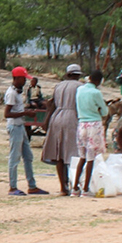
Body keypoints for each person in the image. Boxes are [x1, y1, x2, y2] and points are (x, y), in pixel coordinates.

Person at [42, 64, 84, 195]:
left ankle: (63, 187)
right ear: (78, 75)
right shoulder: (80, 87)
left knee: (59, 154)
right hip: (72, 118)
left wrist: (46, 121)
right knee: (74, 153)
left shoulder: (58, 86)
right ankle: (75, 185)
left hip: (57, 117)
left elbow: (52, 104)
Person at [6, 66, 47, 196]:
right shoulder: (12, 93)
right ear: (17, 78)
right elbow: (7, 114)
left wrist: (25, 112)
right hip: (15, 127)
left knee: (28, 156)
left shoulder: (17, 92)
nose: (25, 82)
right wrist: (25, 113)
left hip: (20, 126)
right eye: (23, 79)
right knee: (14, 157)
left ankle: (32, 185)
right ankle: (13, 187)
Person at [73, 69, 110, 196]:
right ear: (98, 81)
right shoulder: (96, 93)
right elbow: (105, 111)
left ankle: (75, 188)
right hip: (94, 124)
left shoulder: (80, 90)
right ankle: (85, 189)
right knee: (90, 158)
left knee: (82, 157)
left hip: (81, 123)